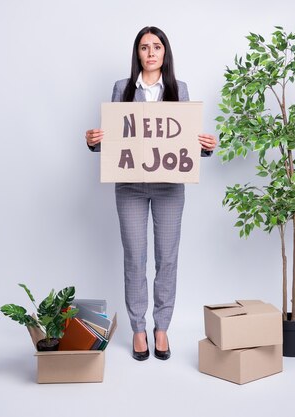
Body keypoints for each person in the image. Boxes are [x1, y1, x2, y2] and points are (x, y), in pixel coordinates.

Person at [85, 26, 216, 361]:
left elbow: (184, 143)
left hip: (169, 188)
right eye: (144, 47)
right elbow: (115, 143)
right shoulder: (122, 89)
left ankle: (162, 327)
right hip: (129, 186)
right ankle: (138, 329)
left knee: (167, 258)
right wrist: (94, 142)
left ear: (165, 53)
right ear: (138, 54)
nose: (151, 52)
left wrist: (205, 148)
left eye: (157, 46)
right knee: (135, 257)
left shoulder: (179, 89)